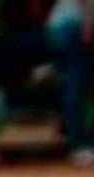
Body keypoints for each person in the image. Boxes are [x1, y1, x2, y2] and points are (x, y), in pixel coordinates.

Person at [47, 0, 94, 163]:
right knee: (76, 84)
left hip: (71, 28)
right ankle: (79, 145)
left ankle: (78, 142)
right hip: (73, 27)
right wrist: (88, 24)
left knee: (77, 83)